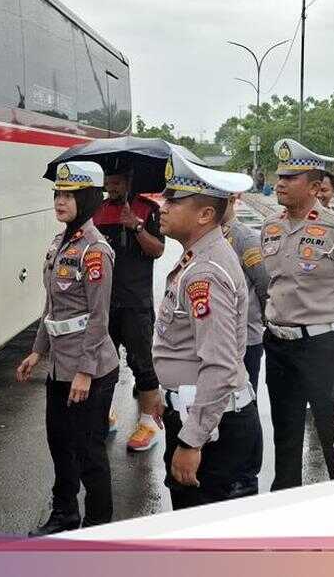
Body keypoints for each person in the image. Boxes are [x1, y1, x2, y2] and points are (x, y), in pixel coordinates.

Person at [17, 161, 119, 535]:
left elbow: (99, 318)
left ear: (88, 198)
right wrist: (37, 351)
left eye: (70, 195)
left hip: (90, 370)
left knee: (89, 452)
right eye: (57, 194)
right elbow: (53, 306)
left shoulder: (95, 251)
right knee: (60, 444)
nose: (60, 201)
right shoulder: (60, 242)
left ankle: (98, 527)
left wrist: (85, 372)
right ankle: (64, 514)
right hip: (60, 367)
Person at [153, 155, 262, 508]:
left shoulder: (206, 273)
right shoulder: (199, 257)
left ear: (204, 215)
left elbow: (219, 365)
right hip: (204, 417)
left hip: (214, 430)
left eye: (173, 201)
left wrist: (192, 440)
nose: (163, 207)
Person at [262, 138, 334, 490]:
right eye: (280, 176)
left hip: (323, 345)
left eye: (290, 178)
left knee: (332, 431)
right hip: (279, 345)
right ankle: (287, 499)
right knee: (285, 431)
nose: (280, 183)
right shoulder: (270, 227)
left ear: (313, 187)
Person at [93, 163, 167, 452]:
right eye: (108, 181)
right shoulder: (97, 210)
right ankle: (105, 414)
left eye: (116, 182)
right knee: (103, 363)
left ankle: (149, 423)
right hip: (104, 302)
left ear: (129, 181)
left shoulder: (148, 209)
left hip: (136, 302)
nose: (110, 187)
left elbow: (157, 250)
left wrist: (135, 226)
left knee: (142, 363)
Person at [221, 192, 269, 392]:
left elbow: (264, 285)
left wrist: (263, 318)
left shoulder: (245, 238)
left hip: (245, 339)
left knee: (245, 399)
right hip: (219, 340)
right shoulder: (206, 236)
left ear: (232, 200)